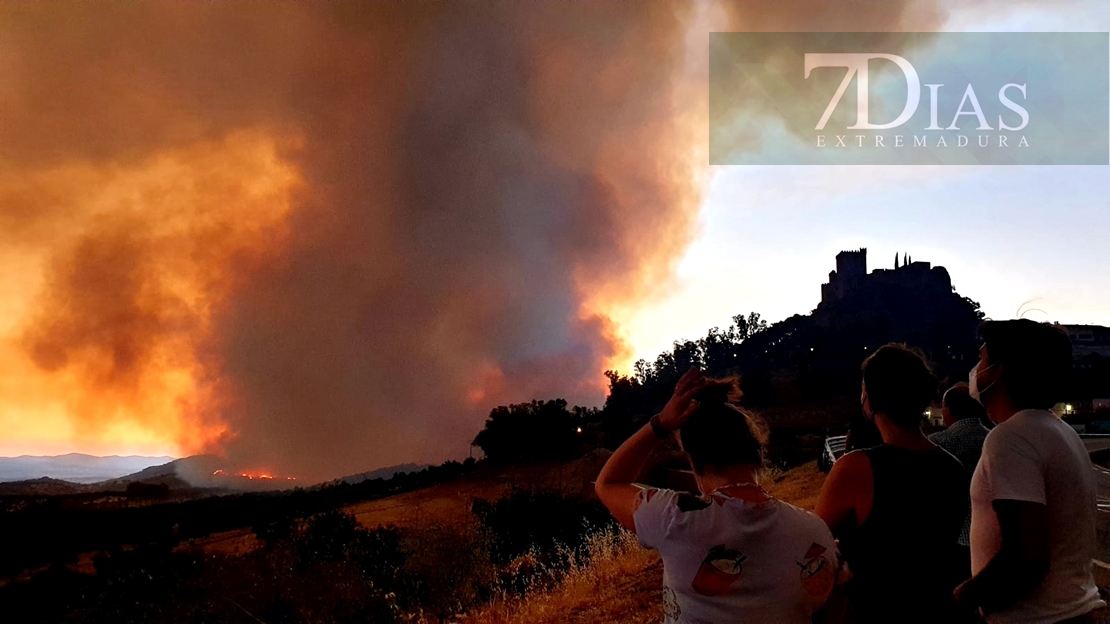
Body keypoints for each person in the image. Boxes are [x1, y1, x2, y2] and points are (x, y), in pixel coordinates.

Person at [595, 368, 843, 624]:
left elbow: (609, 483)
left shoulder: (676, 519)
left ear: (695, 463)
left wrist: (659, 425)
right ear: (757, 454)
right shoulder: (815, 533)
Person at [954, 320, 1106, 622]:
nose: (975, 369)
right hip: (1076, 609)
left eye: (981, 359)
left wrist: (962, 598)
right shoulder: (1060, 431)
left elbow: (1027, 558)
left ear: (999, 369)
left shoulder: (1011, 437)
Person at [815, 344, 969, 623]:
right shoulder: (952, 467)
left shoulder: (856, 468)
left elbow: (813, 539)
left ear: (871, 399)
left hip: (874, 611)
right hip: (938, 610)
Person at [930, 382, 991, 570]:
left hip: (954, 538)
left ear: (948, 409)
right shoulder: (995, 438)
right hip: (993, 535)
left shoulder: (938, 444)